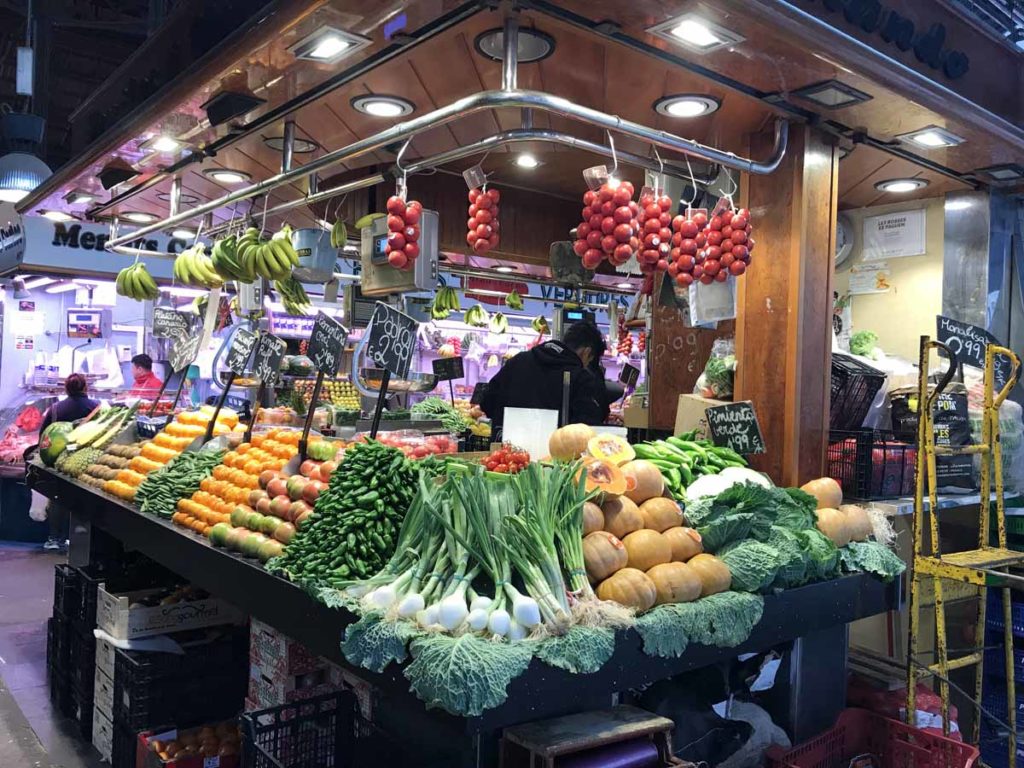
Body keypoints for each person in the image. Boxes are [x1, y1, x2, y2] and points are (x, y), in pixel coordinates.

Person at [481, 321, 607, 433]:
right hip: (554, 456)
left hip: (508, 454)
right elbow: (587, 427)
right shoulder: (580, 378)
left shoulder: (518, 360)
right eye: (589, 361)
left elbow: (487, 402)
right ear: (587, 352)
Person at [40, 374, 99, 551]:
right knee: (84, 500)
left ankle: (54, 538)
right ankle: (79, 539)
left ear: (66, 388)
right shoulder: (96, 407)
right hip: (87, 462)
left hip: (60, 461)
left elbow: (43, 437)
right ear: (85, 388)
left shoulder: (56, 408)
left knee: (58, 499)